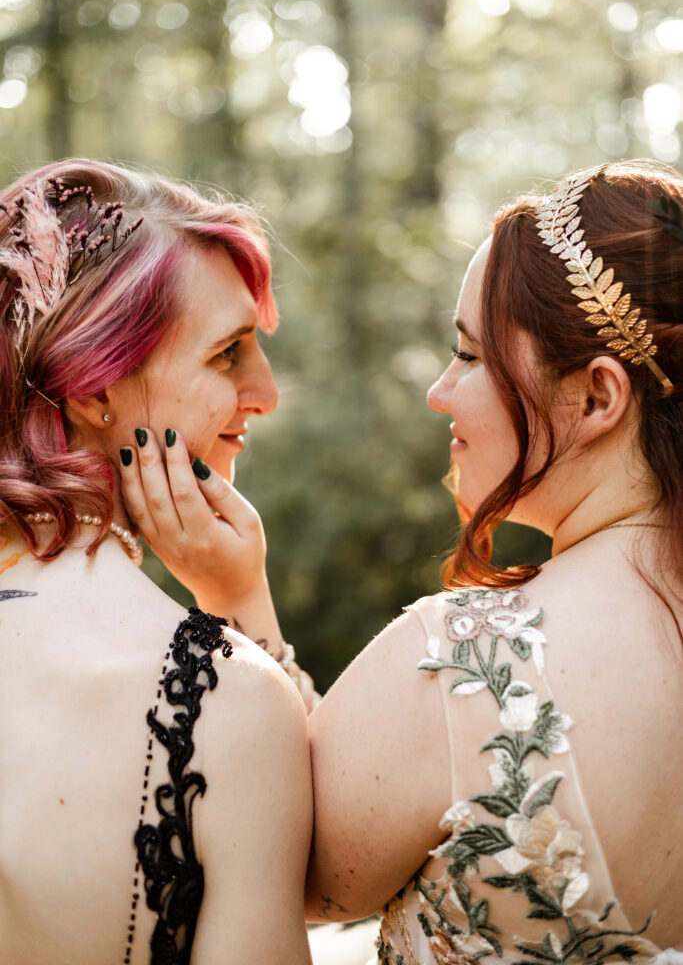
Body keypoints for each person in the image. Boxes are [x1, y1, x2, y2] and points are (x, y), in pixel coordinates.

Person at [126, 159, 682, 964]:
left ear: (597, 397)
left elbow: (270, 871)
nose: (439, 391)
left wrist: (232, 593)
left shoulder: (472, 667)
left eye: (468, 355)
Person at [0, 159, 313, 965]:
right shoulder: (226, 705)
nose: (266, 392)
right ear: (94, 391)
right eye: (227, 355)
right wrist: (243, 610)